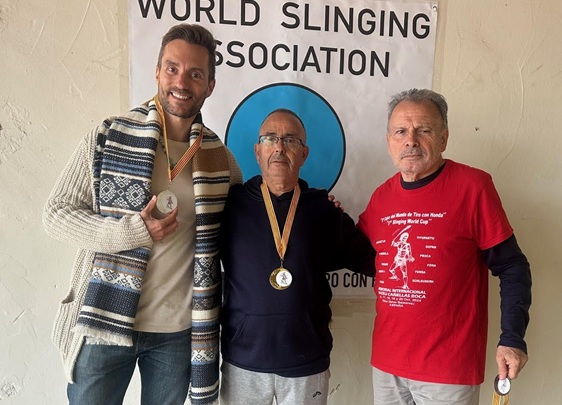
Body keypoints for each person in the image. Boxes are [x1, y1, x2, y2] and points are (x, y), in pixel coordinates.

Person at [43, 23, 241, 405]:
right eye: (172, 68)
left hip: (177, 334)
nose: (181, 82)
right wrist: (131, 231)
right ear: (157, 72)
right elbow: (55, 214)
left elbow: (241, 228)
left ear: (210, 86)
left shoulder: (220, 160)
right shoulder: (108, 136)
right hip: (104, 321)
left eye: (195, 74)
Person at [357, 88, 532, 404]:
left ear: (443, 139)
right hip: (386, 366)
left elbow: (512, 266)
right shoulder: (381, 197)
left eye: (423, 130)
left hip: (447, 371)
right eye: (400, 131)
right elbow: (360, 255)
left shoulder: (473, 187)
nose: (411, 141)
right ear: (389, 142)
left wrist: (512, 338)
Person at [218, 109, 376, 405]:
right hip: (243, 361)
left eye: (290, 140)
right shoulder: (231, 206)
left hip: (307, 363)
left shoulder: (324, 211)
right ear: (257, 151)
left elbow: (376, 263)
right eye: (270, 138)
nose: (279, 147)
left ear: (304, 154)